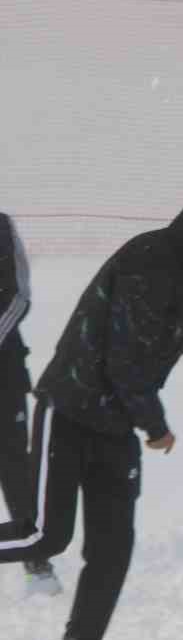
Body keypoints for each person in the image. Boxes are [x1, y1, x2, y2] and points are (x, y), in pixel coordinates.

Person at [0, 173, 183, 640]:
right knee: (43, 535)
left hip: (113, 421)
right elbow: (127, 357)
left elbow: (161, 328)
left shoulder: (181, 269)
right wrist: (155, 427)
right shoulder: (151, 260)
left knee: (112, 546)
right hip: (68, 410)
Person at [1, 212, 34, 576]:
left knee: (13, 466)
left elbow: (19, 295)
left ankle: (37, 565)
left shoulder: (0, 225)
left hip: (4, 375)